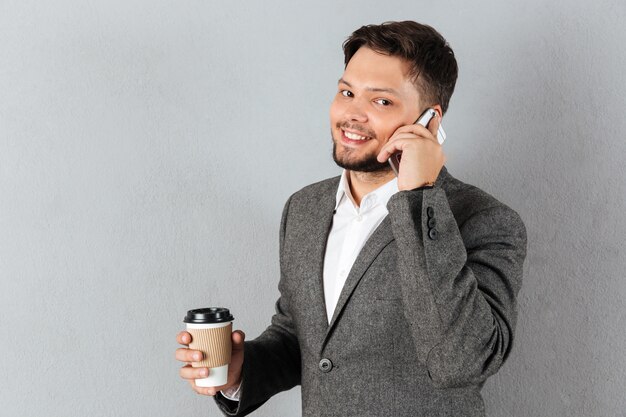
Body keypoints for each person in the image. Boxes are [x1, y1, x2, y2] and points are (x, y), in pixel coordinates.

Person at [175, 21, 527, 416]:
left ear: (430, 120)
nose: (352, 114)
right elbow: (302, 338)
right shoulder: (304, 209)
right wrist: (242, 371)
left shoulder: (485, 221)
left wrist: (419, 197)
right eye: (346, 92)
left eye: (381, 102)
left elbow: (460, 362)